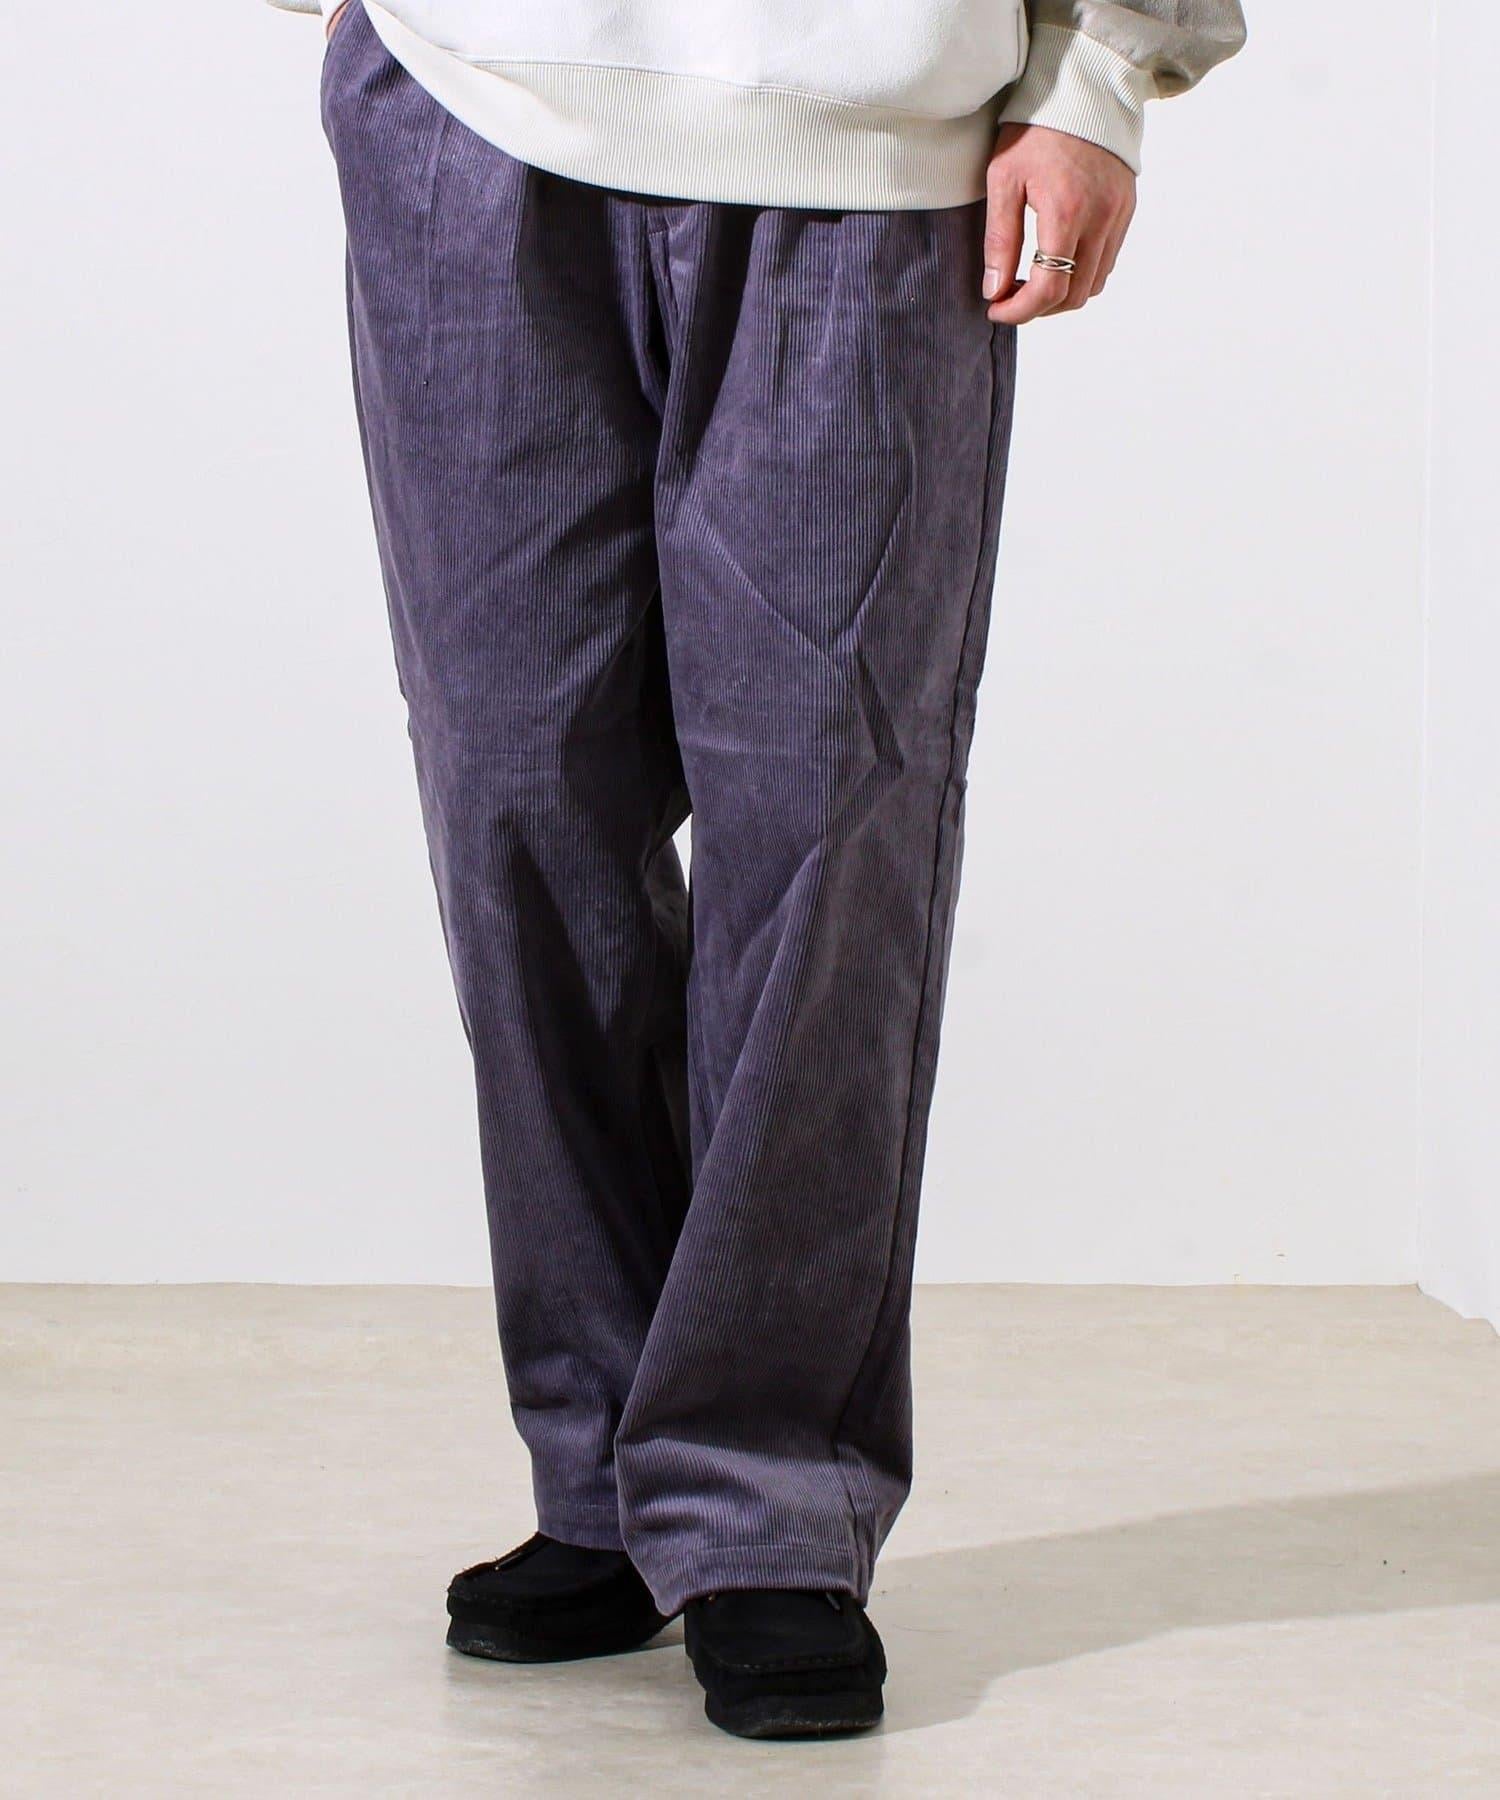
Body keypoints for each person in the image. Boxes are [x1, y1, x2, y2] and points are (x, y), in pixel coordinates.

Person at [271, 0, 1245, 1739]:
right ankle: (604, 1476)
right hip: (467, 109)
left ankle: (763, 1501)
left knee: (829, 829)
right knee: (517, 809)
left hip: (871, 144)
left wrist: (1100, 75)